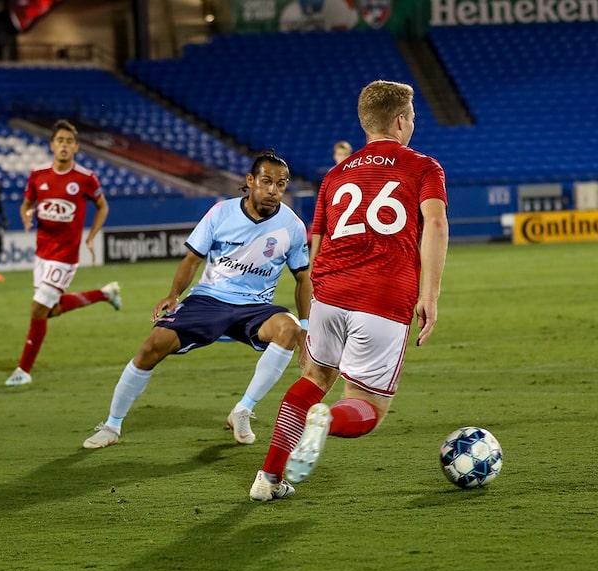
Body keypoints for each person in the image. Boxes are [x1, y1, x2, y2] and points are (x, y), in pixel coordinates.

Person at [249, 80, 449, 501]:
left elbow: (315, 246)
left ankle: (268, 478)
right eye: (412, 117)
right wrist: (429, 296)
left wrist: (311, 314)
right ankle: (327, 422)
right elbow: (434, 223)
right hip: (382, 297)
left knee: (313, 378)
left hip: (329, 292)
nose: (414, 123)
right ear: (399, 121)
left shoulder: (335, 175)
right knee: (366, 408)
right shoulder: (423, 167)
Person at [83, 150, 312, 449]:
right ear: (250, 180)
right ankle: (112, 425)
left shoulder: (293, 226)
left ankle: (243, 409)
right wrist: (173, 295)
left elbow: (302, 278)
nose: (273, 190)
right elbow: (192, 259)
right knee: (153, 346)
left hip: (255, 307)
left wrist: (306, 326)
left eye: (281, 184)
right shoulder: (221, 213)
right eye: (266, 181)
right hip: (209, 300)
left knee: (289, 329)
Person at [5, 119, 121, 387]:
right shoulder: (38, 174)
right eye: (60, 141)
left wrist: (91, 236)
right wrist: (25, 216)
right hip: (41, 255)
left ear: (76, 147)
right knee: (50, 310)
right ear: (52, 145)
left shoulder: (85, 178)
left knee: (37, 309)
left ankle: (23, 369)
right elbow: (26, 205)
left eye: (69, 141)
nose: (64, 145)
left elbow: (102, 207)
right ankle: (105, 293)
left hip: (65, 256)